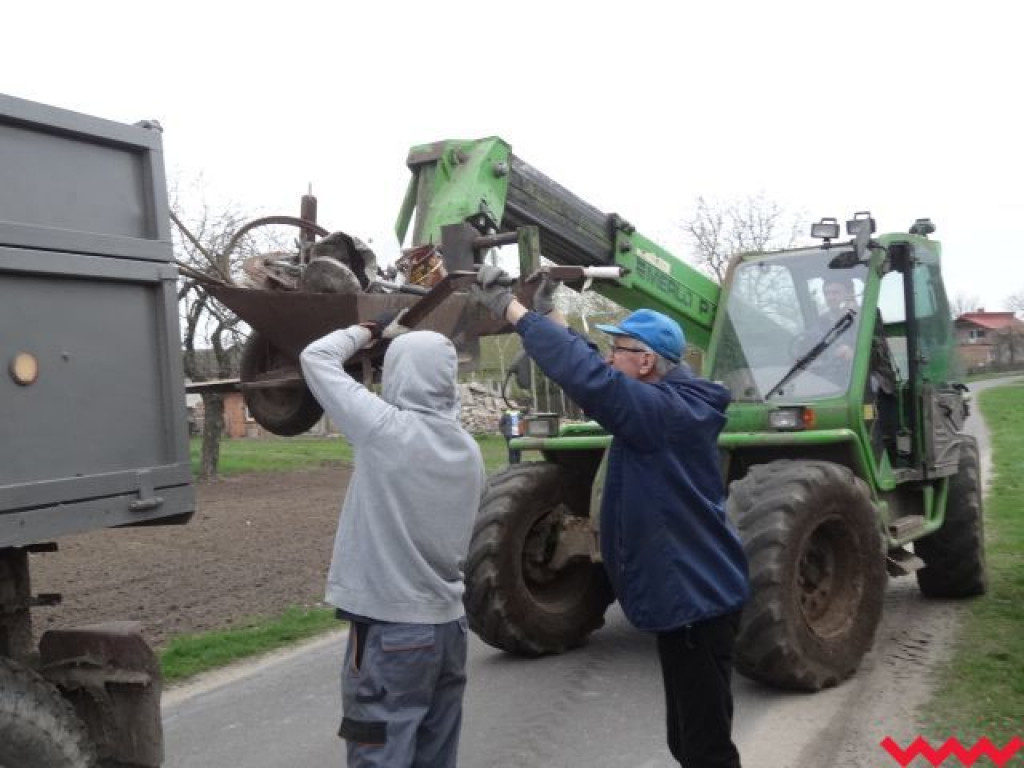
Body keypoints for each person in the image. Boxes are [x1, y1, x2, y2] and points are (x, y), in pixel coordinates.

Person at [470, 267, 750, 768]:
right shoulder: (664, 403)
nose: (609, 356)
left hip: (697, 604)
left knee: (706, 750)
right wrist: (548, 312)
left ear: (644, 364)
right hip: (690, 602)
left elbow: (590, 377)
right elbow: (590, 367)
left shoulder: (663, 415)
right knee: (686, 742)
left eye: (618, 349)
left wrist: (513, 313)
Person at [300, 312, 485, 768]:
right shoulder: (469, 450)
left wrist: (367, 330)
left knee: (379, 752)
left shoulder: (385, 431)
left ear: (401, 374)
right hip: (450, 629)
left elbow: (316, 357)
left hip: (392, 632)